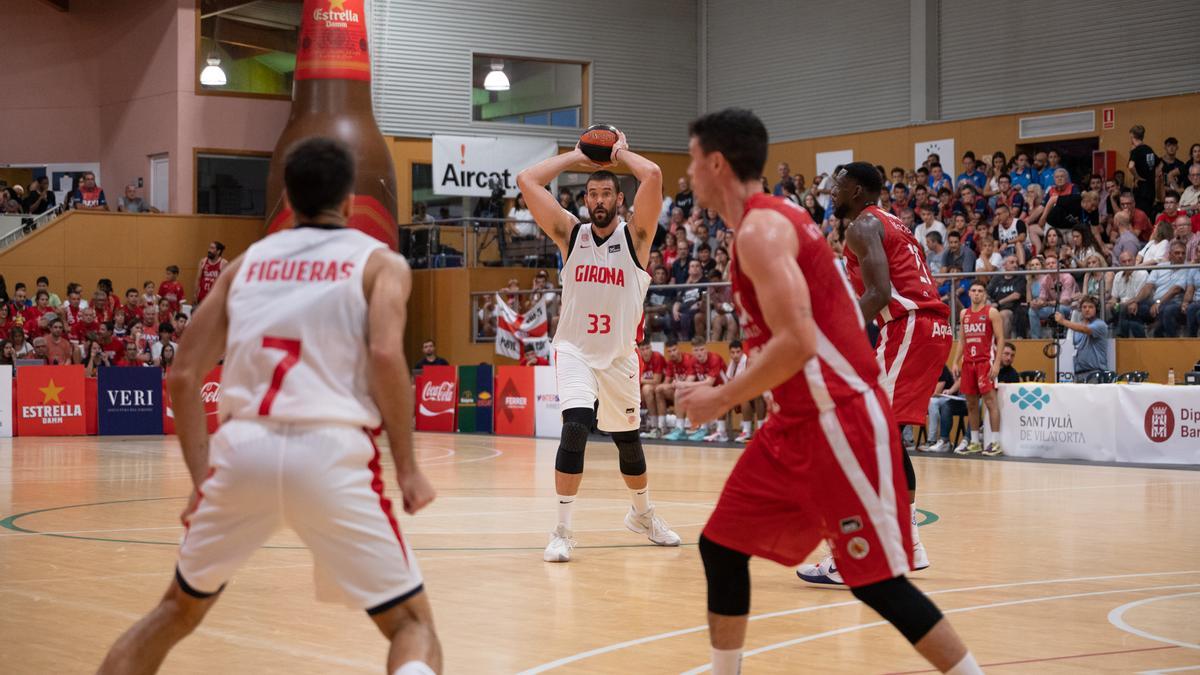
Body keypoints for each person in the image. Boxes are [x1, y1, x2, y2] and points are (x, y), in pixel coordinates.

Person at [96, 138, 442, 675]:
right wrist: (410, 469)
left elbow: (185, 374)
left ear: (287, 197)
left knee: (174, 612)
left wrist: (199, 480)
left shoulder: (244, 266)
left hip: (243, 450)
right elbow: (383, 354)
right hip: (332, 450)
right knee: (411, 627)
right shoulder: (380, 264)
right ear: (349, 201)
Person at [675, 109, 979, 675]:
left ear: (716, 163)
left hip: (836, 415)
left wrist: (721, 398)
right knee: (720, 546)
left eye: (692, 160)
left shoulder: (763, 230)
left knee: (877, 585)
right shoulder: (767, 223)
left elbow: (798, 341)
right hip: (795, 418)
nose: (687, 174)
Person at [516, 127, 679, 563]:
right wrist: (574, 157)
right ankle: (562, 531)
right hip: (573, 350)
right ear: (585, 200)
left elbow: (655, 176)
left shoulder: (637, 238)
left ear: (619, 201)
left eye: (608, 193)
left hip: (619, 356)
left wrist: (622, 154)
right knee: (576, 424)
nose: (600, 200)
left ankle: (642, 514)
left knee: (628, 442)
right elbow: (527, 181)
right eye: (593, 194)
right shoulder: (571, 235)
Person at [799, 160, 953, 585]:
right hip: (928, 329)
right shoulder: (893, 223)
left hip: (909, 327)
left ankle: (850, 554)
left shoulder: (863, 226)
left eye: (839, 187)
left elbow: (880, 293)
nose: (832, 194)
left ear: (860, 192)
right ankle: (909, 543)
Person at [951, 283, 1005, 456]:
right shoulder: (964, 313)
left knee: (990, 402)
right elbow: (962, 341)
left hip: (985, 362)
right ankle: (974, 442)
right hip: (968, 364)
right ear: (969, 293)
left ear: (985, 294)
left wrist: (996, 363)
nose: (976, 294)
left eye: (980, 291)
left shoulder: (991, 312)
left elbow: (1000, 338)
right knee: (972, 404)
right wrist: (955, 361)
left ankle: (995, 443)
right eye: (973, 291)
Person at [1054, 296, 1109, 381]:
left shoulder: (1100, 325)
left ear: (1096, 310)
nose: (1087, 309)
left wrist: (1063, 321)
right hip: (1078, 373)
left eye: (1090, 307)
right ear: (1080, 310)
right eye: (1084, 307)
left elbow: (1085, 329)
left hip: (1096, 373)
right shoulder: (1077, 327)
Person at [655, 339, 696, 439]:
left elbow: (688, 383)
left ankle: (680, 428)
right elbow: (666, 383)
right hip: (679, 391)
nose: (672, 353)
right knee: (659, 390)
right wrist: (665, 386)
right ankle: (661, 426)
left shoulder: (688, 359)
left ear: (679, 348)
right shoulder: (670, 363)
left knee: (679, 391)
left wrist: (675, 385)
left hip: (692, 391)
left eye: (674, 350)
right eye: (669, 351)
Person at [637, 338, 667, 436]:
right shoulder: (637, 359)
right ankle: (649, 425)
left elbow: (657, 380)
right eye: (643, 349)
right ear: (639, 350)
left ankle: (659, 425)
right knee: (637, 393)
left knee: (647, 389)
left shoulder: (657, 357)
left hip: (661, 387)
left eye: (647, 348)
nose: (645, 351)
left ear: (651, 347)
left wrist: (640, 380)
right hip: (646, 388)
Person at [195, 241, 229, 305]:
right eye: (209, 248)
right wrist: (195, 294)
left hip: (215, 298)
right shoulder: (203, 261)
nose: (209, 250)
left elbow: (225, 283)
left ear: (218, 251)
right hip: (202, 296)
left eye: (212, 248)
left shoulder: (223, 263)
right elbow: (198, 279)